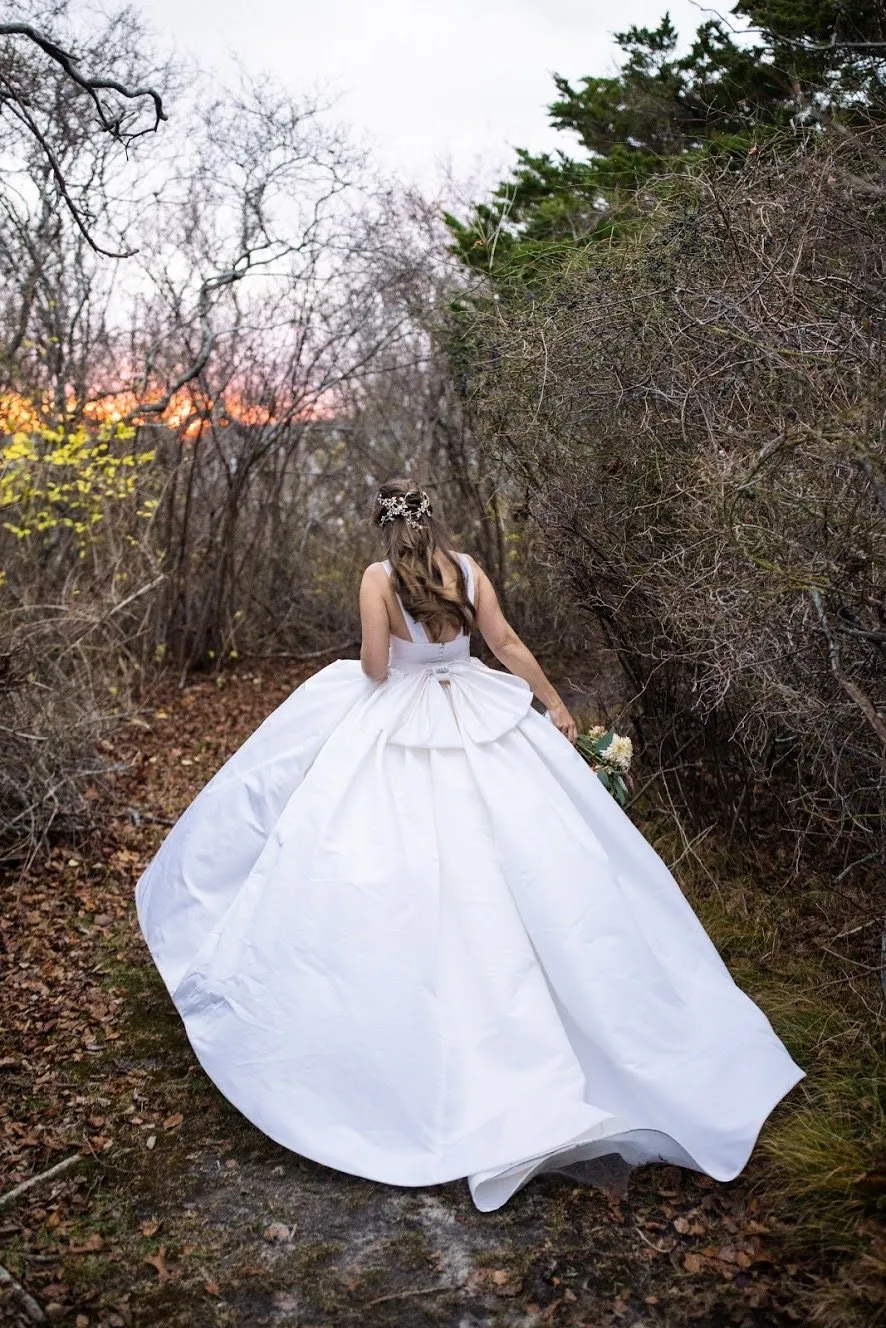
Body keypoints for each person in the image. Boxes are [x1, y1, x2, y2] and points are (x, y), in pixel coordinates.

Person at [136, 478, 803, 1212]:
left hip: (405, 718)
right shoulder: (470, 567)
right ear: (434, 519)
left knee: (379, 850)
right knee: (533, 851)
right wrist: (552, 704)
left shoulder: (378, 579)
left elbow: (374, 668)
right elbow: (506, 643)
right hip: (482, 709)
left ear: (382, 529)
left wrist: (396, 642)